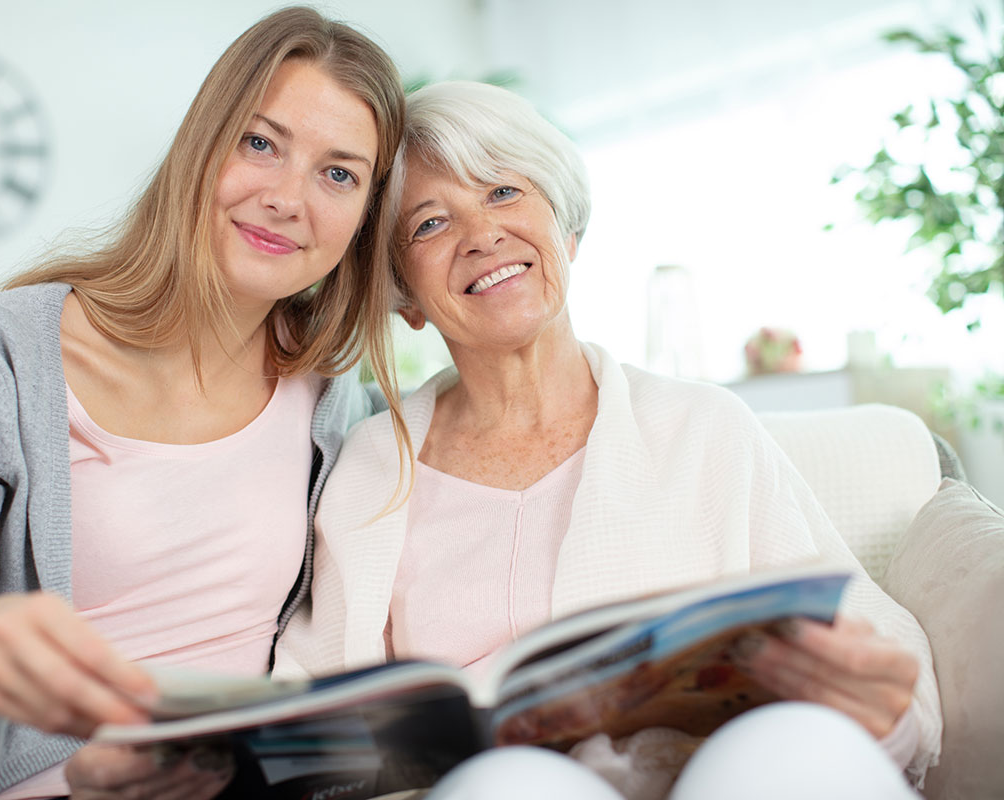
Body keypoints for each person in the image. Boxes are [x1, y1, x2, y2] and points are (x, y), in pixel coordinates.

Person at [274, 80, 942, 798]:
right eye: (430, 224)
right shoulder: (370, 469)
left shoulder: (704, 427)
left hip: (715, 779)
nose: (481, 235)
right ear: (403, 296)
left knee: (798, 745)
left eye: (504, 193)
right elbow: (310, 701)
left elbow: (875, 654)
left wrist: (873, 707)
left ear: (565, 230)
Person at [0, 7, 408, 799]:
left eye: (339, 174)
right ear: (202, 146)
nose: (288, 199)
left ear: (364, 218)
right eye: (260, 143)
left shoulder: (338, 408)